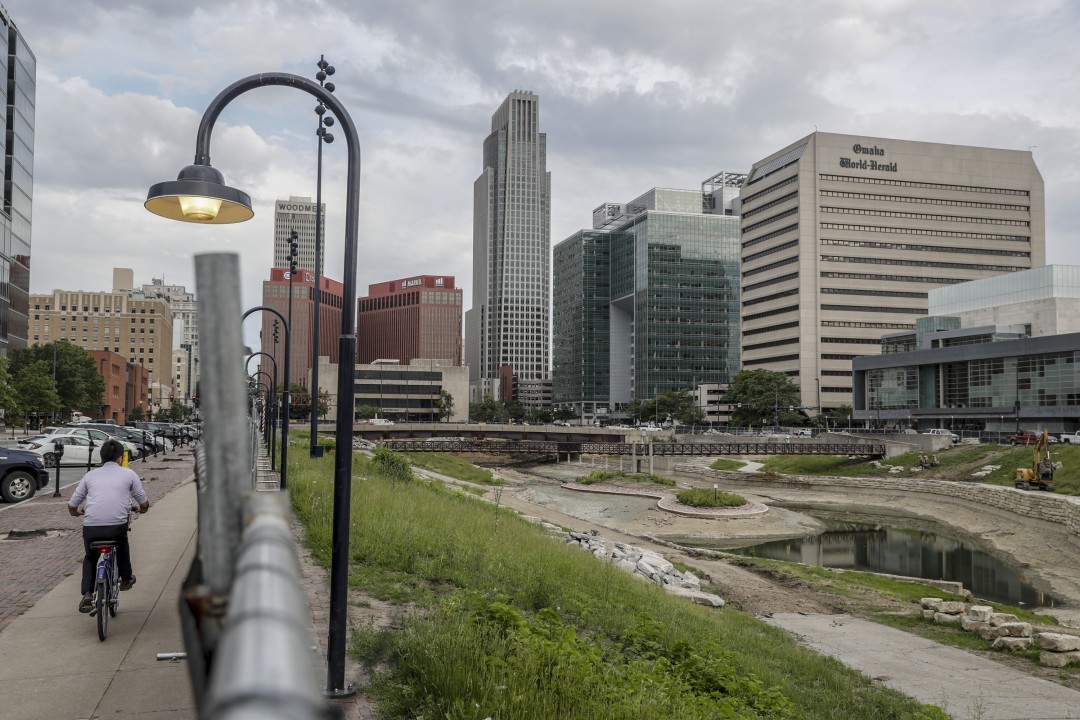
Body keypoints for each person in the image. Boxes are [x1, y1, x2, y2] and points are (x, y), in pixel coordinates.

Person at [67, 438, 150, 613]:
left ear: (102, 457)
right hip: (116, 527)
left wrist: (75, 513)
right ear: (120, 458)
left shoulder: (90, 476)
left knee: (90, 557)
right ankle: (126, 578)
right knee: (122, 544)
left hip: (91, 528)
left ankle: (88, 594)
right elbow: (144, 502)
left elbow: (72, 505)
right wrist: (142, 510)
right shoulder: (128, 474)